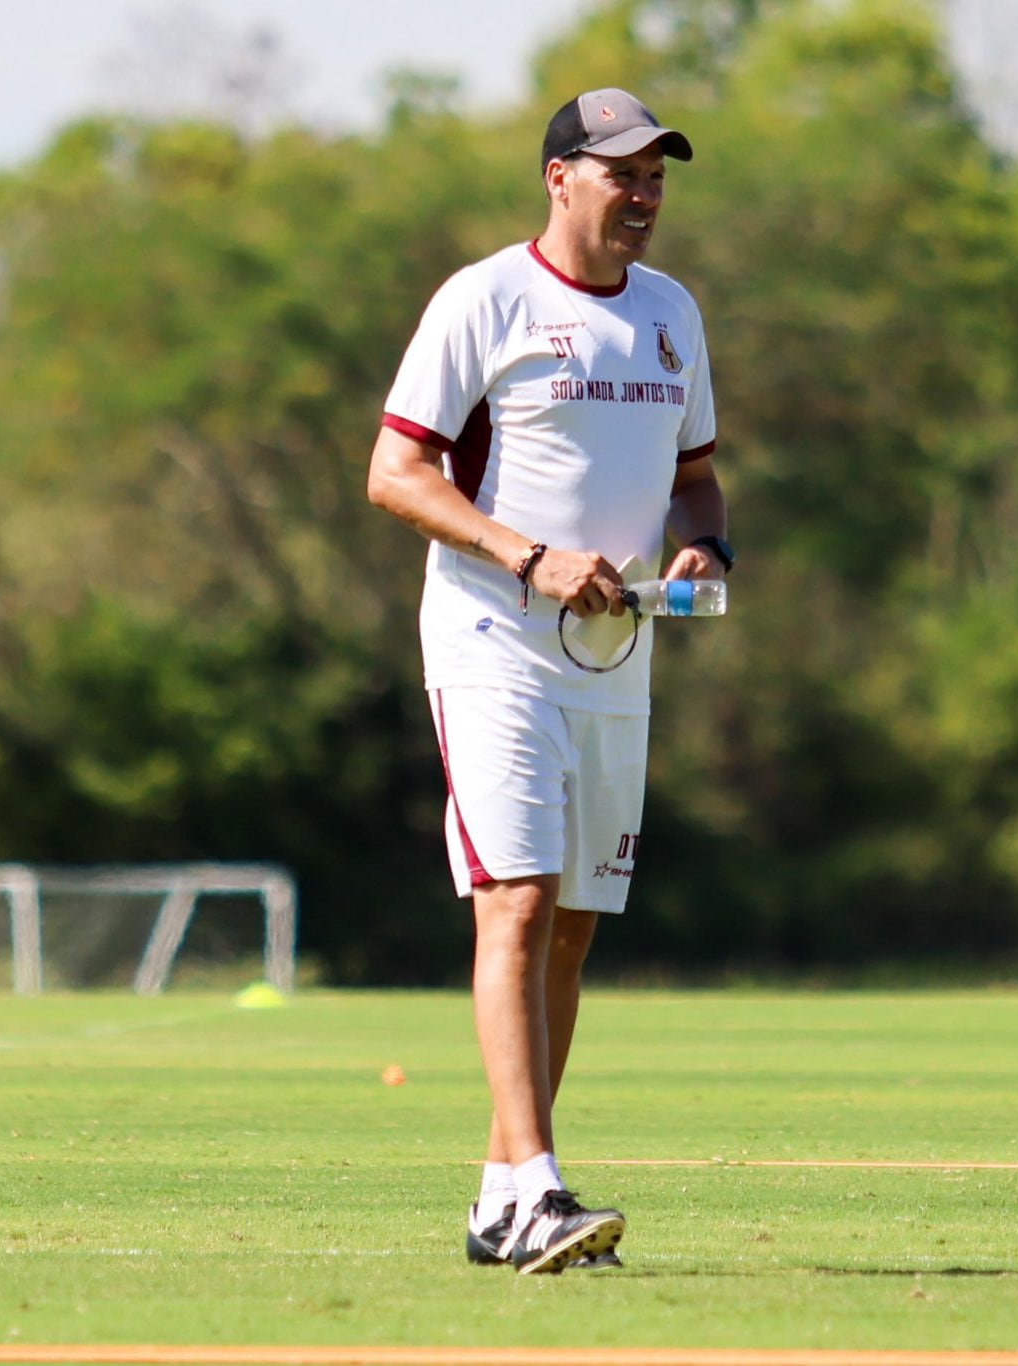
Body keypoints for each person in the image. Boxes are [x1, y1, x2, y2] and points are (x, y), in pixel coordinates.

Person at [366, 88, 732, 1275]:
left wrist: (703, 547)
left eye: (656, 176)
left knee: (570, 925)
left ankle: (498, 1200)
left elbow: (696, 479)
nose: (644, 195)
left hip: (614, 655)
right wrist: (529, 557)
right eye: (622, 172)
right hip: (492, 643)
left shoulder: (670, 313)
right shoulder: (484, 299)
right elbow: (395, 473)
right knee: (515, 902)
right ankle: (537, 1187)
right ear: (558, 177)